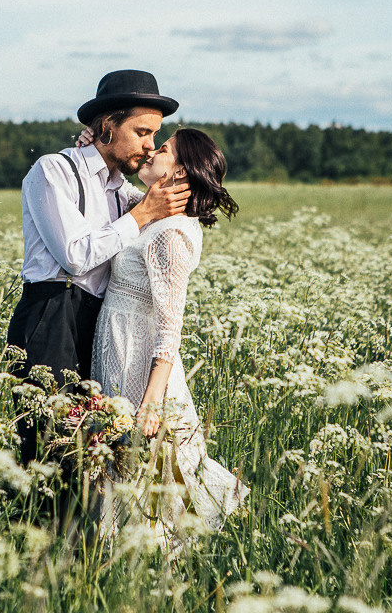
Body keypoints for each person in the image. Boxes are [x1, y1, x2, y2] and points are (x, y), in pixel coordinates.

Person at [7, 70, 190, 466]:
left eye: (155, 135)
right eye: (142, 132)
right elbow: (74, 255)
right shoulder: (52, 170)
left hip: (97, 324)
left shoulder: (120, 189)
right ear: (107, 126)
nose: (150, 145)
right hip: (51, 317)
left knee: (96, 459)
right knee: (49, 453)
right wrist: (141, 216)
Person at [90, 127, 249, 549]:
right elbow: (117, 197)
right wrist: (95, 144)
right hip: (119, 349)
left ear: (180, 172)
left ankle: (157, 563)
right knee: (127, 469)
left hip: (139, 362)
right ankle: (128, 558)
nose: (150, 152)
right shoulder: (153, 216)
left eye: (162, 149)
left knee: (149, 469)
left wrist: (151, 401)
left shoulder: (172, 234)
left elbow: (170, 326)